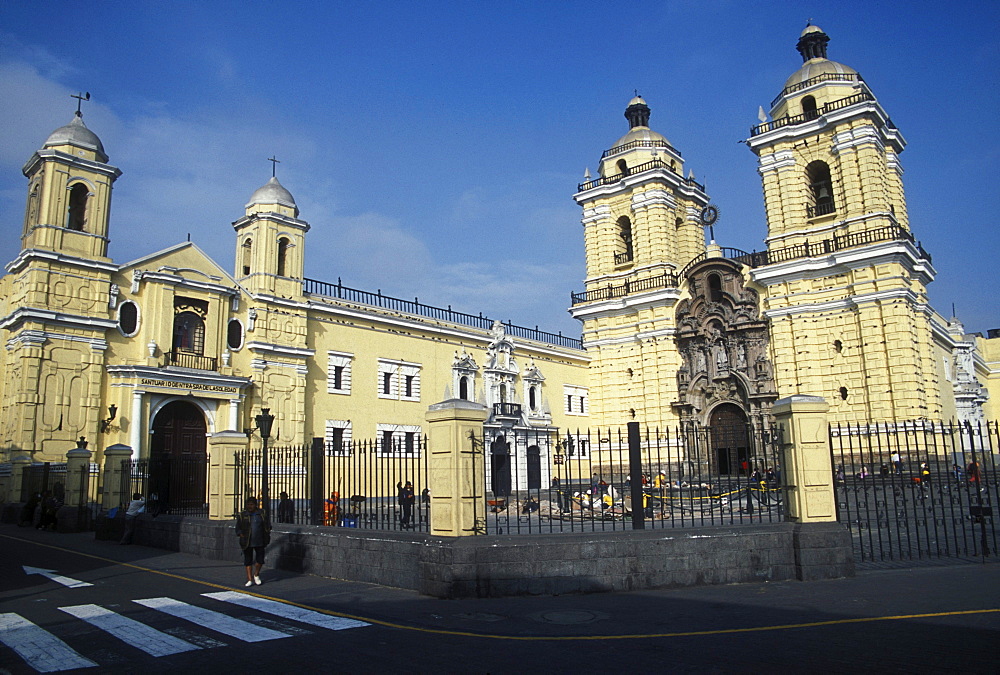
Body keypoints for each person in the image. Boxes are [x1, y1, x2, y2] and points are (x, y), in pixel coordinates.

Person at [236, 497, 271, 587]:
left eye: (251, 505)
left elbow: (267, 524)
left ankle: (256, 574)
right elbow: (238, 528)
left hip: (260, 540)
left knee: (260, 560)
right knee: (248, 560)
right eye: (248, 504)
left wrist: (267, 531)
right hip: (247, 541)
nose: (249, 506)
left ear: (255, 505)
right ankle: (249, 579)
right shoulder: (242, 515)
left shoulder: (261, 514)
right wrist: (241, 534)